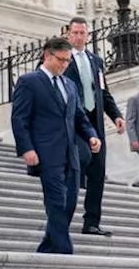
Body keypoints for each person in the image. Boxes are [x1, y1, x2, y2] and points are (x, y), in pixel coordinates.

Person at [10, 36, 101, 255]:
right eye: (61, 60)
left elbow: (79, 116)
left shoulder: (69, 84)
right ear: (47, 56)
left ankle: (47, 248)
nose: (64, 64)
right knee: (56, 202)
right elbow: (19, 119)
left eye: (67, 61)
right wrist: (27, 148)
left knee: (69, 203)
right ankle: (64, 252)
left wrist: (91, 135)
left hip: (71, 153)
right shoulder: (29, 81)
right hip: (46, 152)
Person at [62, 16, 124, 237]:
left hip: (95, 122)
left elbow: (103, 92)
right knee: (77, 166)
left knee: (98, 173)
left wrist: (115, 115)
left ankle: (92, 222)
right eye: (75, 33)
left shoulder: (96, 61)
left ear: (88, 35)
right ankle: (62, 217)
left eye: (82, 33)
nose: (79, 37)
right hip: (74, 123)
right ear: (69, 34)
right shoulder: (63, 58)